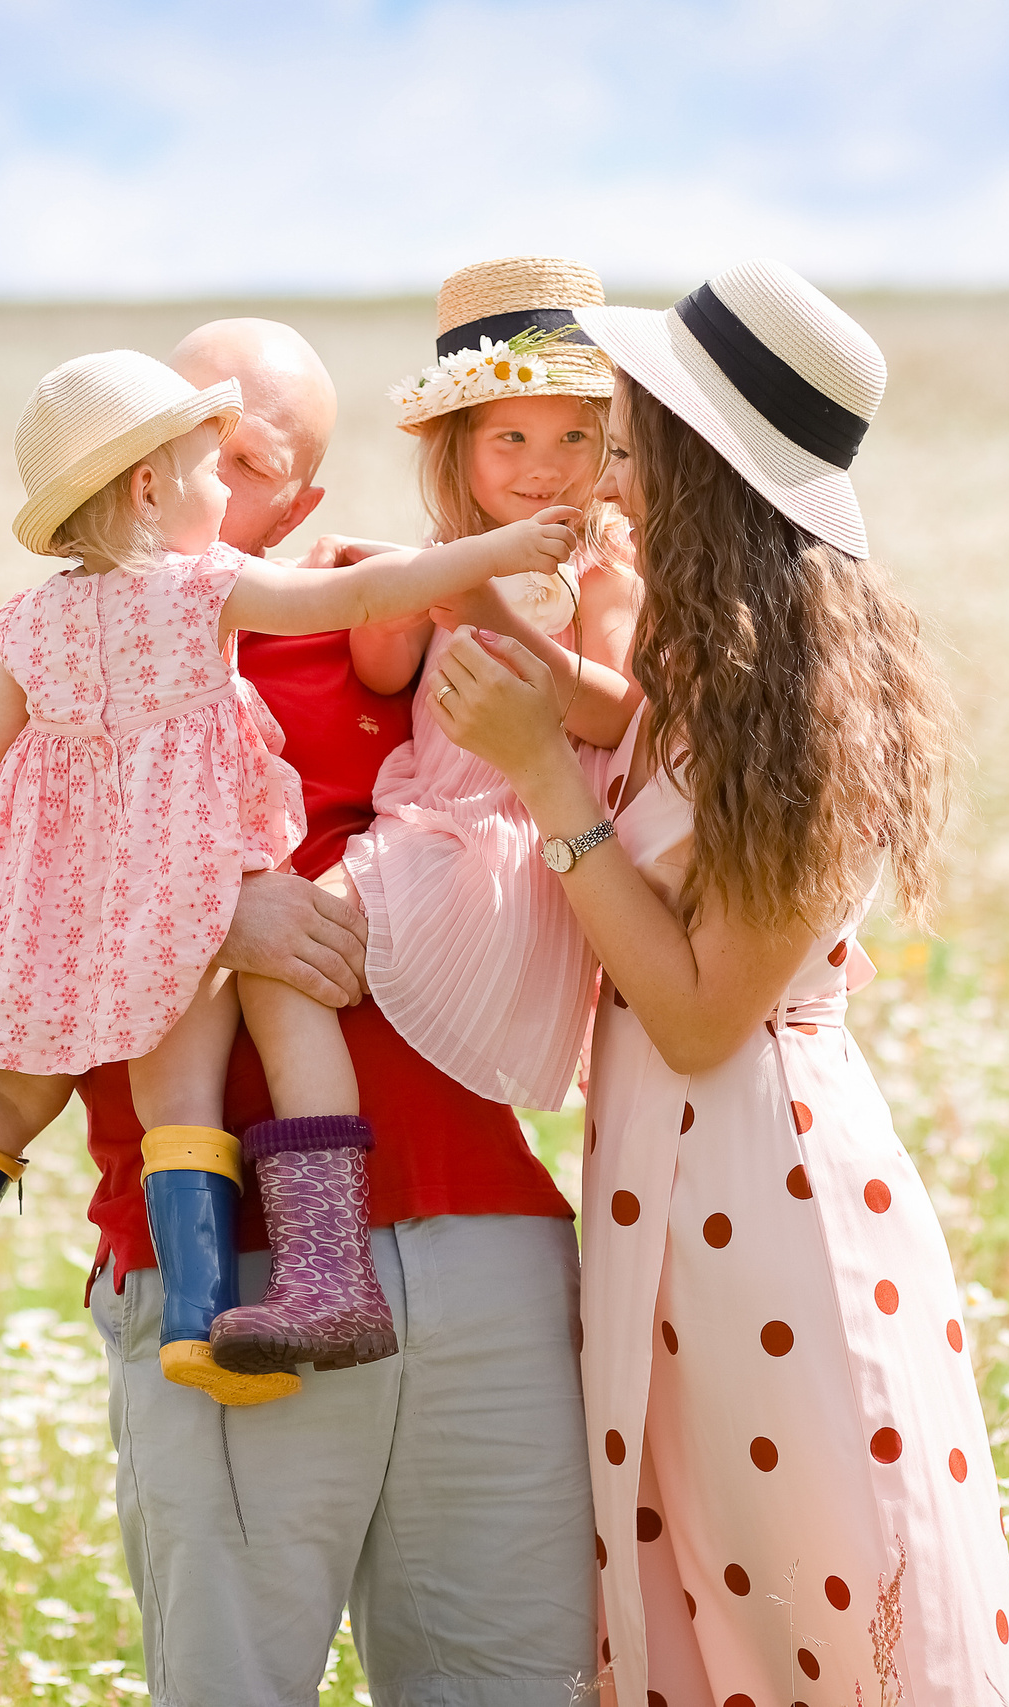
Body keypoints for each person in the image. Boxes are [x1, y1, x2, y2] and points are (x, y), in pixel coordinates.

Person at [0, 319, 600, 1703]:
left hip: (492, 1243)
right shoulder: (5, 658)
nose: (210, 474)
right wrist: (213, 912)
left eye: (251, 458)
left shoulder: (386, 633)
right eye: (186, 445)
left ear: (301, 496)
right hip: (226, 1287)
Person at [436, 261, 1009, 1706]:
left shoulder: (814, 706)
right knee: (704, 1583)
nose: (610, 474)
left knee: (811, 1586)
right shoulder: (725, 664)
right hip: (673, 1176)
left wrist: (540, 778)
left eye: (635, 444)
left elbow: (704, 1016)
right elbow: (644, 756)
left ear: (703, 465)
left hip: (764, 1187)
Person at [329, 255, 644, 1112]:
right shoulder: (449, 555)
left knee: (298, 947)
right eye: (512, 439)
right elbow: (383, 673)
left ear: (609, 444)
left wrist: (491, 614)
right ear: (457, 447)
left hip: (513, 848)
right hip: (425, 816)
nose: (545, 467)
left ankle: (317, 1182)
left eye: (573, 438)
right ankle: (315, 1164)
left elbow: (619, 715)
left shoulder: (602, 570)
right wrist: (396, 600)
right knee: (285, 961)